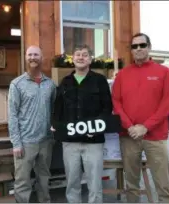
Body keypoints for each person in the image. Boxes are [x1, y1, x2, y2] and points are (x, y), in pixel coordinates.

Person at [112, 33, 169, 203]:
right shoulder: (123, 75)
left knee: (164, 185)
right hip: (129, 136)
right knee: (131, 184)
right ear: (131, 50)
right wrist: (130, 126)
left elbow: (168, 104)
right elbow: (116, 103)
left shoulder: (164, 72)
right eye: (135, 46)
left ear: (149, 47)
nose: (138, 49)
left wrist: (145, 127)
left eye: (142, 45)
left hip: (155, 138)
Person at [51, 44, 113, 203]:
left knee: (94, 183)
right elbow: (58, 108)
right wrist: (55, 125)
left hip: (93, 142)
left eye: (84, 55)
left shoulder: (99, 81)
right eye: (77, 54)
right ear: (73, 59)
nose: (80, 57)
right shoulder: (65, 82)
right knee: (72, 183)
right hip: (70, 143)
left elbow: (107, 108)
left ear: (90, 59)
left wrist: (97, 127)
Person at [8, 46, 56, 203]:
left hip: (46, 141)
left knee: (44, 179)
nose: (33, 57)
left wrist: (54, 133)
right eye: (30, 54)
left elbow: (54, 110)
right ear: (25, 57)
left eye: (36, 54)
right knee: (22, 182)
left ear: (41, 58)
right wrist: (16, 143)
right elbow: (12, 115)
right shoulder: (17, 84)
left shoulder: (50, 84)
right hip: (25, 142)